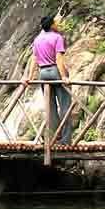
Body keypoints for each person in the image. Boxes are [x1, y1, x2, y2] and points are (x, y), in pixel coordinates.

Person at [28, 13, 74, 144]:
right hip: (55, 71)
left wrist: (29, 77)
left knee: (50, 107)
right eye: (55, 23)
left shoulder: (37, 40)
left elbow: (34, 60)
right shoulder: (57, 37)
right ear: (52, 25)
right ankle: (65, 140)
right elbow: (59, 59)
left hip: (43, 73)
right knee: (65, 105)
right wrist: (64, 76)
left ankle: (52, 138)